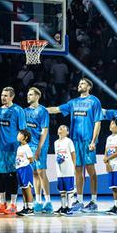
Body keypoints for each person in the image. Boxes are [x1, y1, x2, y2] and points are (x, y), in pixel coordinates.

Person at [47, 78, 102, 212]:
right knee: (78, 171)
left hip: (88, 140)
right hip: (75, 141)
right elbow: (56, 109)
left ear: (89, 87)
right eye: (79, 83)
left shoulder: (94, 101)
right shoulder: (73, 102)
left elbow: (97, 122)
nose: (79, 85)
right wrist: (40, 109)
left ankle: (94, 201)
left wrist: (93, 141)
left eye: (82, 83)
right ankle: (80, 200)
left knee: (91, 170)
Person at [0, 87, 27, 215]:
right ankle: (2, 203)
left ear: (12, 97)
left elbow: (23, 130)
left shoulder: (18, 110)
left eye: (6, 95)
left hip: (13, 148)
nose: (3, 97)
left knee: (12, 176)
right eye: (2, 95)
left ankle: (13, 204)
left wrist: (22, 148)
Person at [24, 87, 52, 213]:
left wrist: (39, 148)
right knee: (34, 173)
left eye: (30, 95)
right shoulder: (25, 111)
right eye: (28, 94)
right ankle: (39, 201)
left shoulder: (43, 111)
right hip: (30, 146)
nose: (28, 96)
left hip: (40, 145)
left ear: (37, 96)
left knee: (41, 172)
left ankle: (48, 202)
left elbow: (44, 131)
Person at [103, 118, 117, 215]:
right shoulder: (109, 138)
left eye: (112, 124)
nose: (110, 125)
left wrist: (107, 158)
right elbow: (106, 151)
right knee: (113, 187)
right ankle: (116, 206)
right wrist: (107, 163)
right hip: (110, 166)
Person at [54, 125, 76, 216]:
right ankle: (63, 207)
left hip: (68, 170)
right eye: (59, 128)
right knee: (62, 190)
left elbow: (73, 154)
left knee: (69, 190)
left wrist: (73, 167)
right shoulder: (56, 142)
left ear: (67, 132)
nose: (60, 129)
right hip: (60, 170)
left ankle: (69, 208)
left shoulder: (69, 141)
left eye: (63, 128)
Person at [15, 129, 35, 216]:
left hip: (25, 170)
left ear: (25, 137)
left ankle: (30, 208)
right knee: (23, 189)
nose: (18, 135)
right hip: (19, 170)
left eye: (20, 134)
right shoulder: (19, 147)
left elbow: (31, 159)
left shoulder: (27, 147)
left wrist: (24, 164)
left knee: (27, 189)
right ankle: (25, 207)